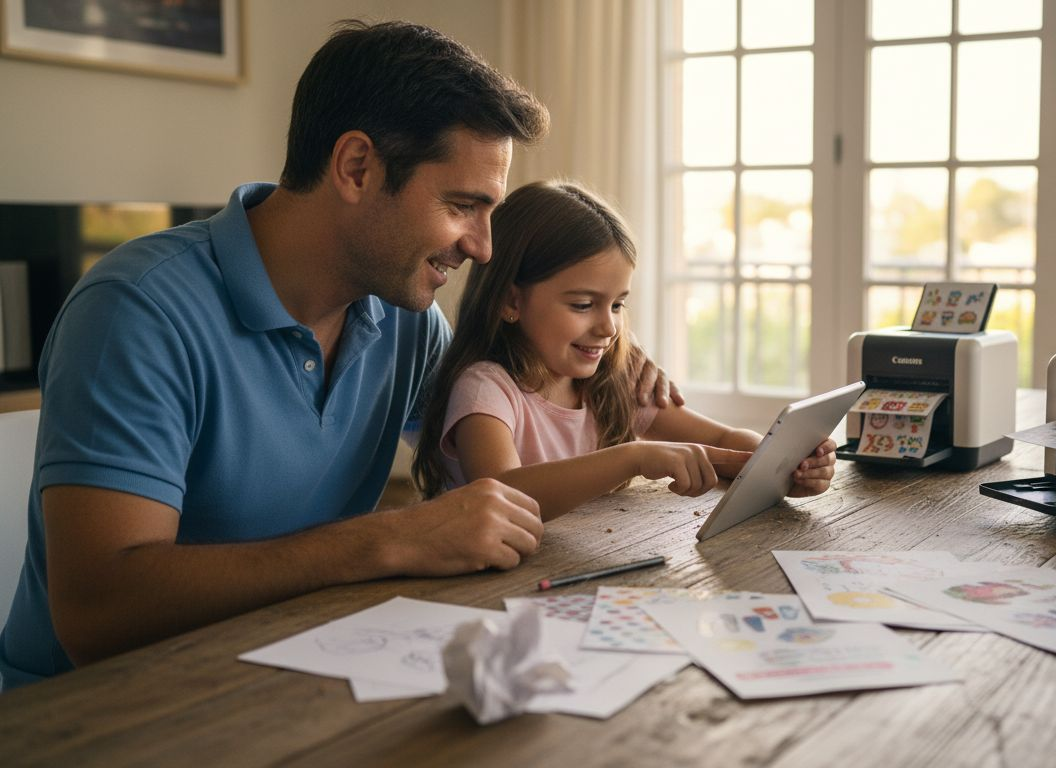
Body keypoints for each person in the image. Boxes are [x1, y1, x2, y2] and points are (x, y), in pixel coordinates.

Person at [0, 21, 678, 690]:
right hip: (98, 717)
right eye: (463, 205)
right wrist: (386, 538)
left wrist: (611, 358)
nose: (483, 247)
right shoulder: (137, 310)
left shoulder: (410, 324)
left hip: (293, 674)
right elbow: (95, 614)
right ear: (357, 168)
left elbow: (508, 433)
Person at [411, 181, 837, 520]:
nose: (609, 326)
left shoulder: (615, 378)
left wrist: (781, 466)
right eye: (583, 305)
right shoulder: (485, 389)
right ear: (510, 302)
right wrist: (632, 458)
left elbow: (721, 440)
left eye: (617, 304)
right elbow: (501, 493)